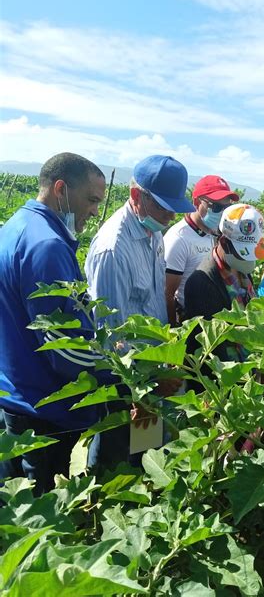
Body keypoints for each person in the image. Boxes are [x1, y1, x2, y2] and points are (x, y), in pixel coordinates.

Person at [0, 152, 109, 494]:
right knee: (44, 521)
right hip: (44, 410)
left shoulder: (16, 226)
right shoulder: (47, 245)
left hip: (15, 395)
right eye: (91, 200)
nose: (95, 211)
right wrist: (121, 373)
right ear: (61, 189)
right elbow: (65, 350)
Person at [85, 154, 194, 471]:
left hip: (152, 373)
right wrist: (146, 381)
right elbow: (110, 335)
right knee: (114, 456)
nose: (170, 216)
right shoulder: (113, 249)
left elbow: (155, 303)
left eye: (174, 207)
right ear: (136, 196)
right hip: (124, 378)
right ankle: (99, 507)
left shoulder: (154, 232)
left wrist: (164, 361)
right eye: (162, 206)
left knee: (146, 455)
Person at [184, 203, 264, 370]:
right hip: (219, 377)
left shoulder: (240, 270)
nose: (249, 260)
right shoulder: (202, 283)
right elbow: (211, 348)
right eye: (243, 253)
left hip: (245, 365)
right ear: (223, 242)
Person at [164, 175, 239, 325]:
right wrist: (173, 330)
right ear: (197, 202)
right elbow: (168, 293)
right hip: (191, 321)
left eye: (225, 208)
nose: (221, 213)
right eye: (216, 207)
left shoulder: (216, 233)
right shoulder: (179, 239)